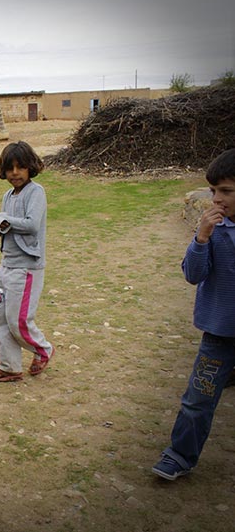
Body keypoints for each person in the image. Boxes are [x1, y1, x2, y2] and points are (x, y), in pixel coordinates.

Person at [151, 148, 235, 481]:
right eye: (213, 191)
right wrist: (201, 237)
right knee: (197, 399)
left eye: (226, 191)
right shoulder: (213, 230)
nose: (217, 199)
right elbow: (193, 274)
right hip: (218, 334)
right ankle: (180, 455)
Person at [0, 141, 55, 383]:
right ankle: (9, 366)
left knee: (18, 320)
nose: (15, 173)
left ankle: (43, 349)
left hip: (26, 268)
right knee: (0, 318)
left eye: (20, 167)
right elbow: (2, 226)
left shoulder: (36, 192)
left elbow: (32, 224)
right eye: (10, 168)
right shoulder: (8, 195)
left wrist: (3, 220)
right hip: (7, 264)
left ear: (30, 167)